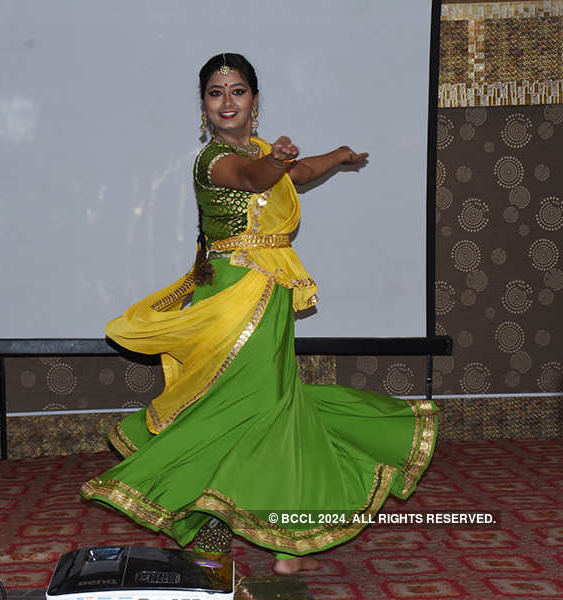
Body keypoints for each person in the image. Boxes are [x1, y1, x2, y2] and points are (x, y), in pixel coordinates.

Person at [81, 53, 438, 575]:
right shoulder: (214, 162)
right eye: (215, 93)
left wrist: (336, 155)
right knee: (249, 410)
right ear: (203, 105)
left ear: (254, 99)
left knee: (272, 408)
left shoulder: (264, 150)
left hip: (265, 295)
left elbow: (298, 170)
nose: (227, 102)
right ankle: (233, 532)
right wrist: (276, 164)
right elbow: (252, 178)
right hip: (232, 301)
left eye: (238, 90)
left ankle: (268, 538)